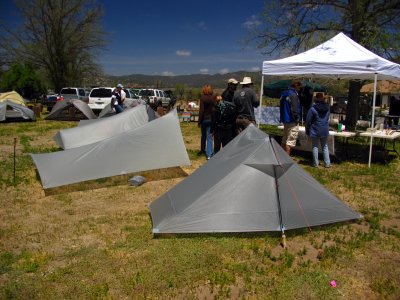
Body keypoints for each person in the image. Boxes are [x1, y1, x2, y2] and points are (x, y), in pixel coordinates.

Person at [305, 92, 331, 168]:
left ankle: (316, 163)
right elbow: (327, 118)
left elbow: (308, 121)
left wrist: (307, 130)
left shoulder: (312, 109)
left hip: (315, 129)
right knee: (325, 146)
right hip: (324, 129)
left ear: (316, 100)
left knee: (315, 146)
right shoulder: (328, 108)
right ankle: (327, 163)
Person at [279, 80, 302, 155]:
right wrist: (297, 119)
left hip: (285, 119)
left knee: (284, 140)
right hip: (292, 120)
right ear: (296, 86)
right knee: (289, 142)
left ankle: (280, 158)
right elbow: (294, 109)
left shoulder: (283, 94)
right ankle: (286, 161)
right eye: (299, 87)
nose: (300, 89)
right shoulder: (293, 95)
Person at [198, 84, 216, 160]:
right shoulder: (213, 98)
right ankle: (209, 154)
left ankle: (202, 150)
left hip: (204, 120)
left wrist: (199, 121)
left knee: (203, 136)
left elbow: (201, 111)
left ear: (204, 90)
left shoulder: (202, 98)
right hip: (211, 120)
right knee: (210, 137)